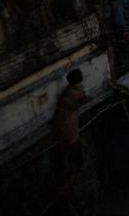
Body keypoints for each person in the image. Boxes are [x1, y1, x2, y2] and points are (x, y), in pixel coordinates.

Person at [52, 69, 87, 202]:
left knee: (67, 165)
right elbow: (83, 98)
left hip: (62, 133)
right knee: (77, 165)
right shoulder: (77, 95)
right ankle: (67, 190)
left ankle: (67, 189)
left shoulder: (66, 94)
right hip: (71, 135)